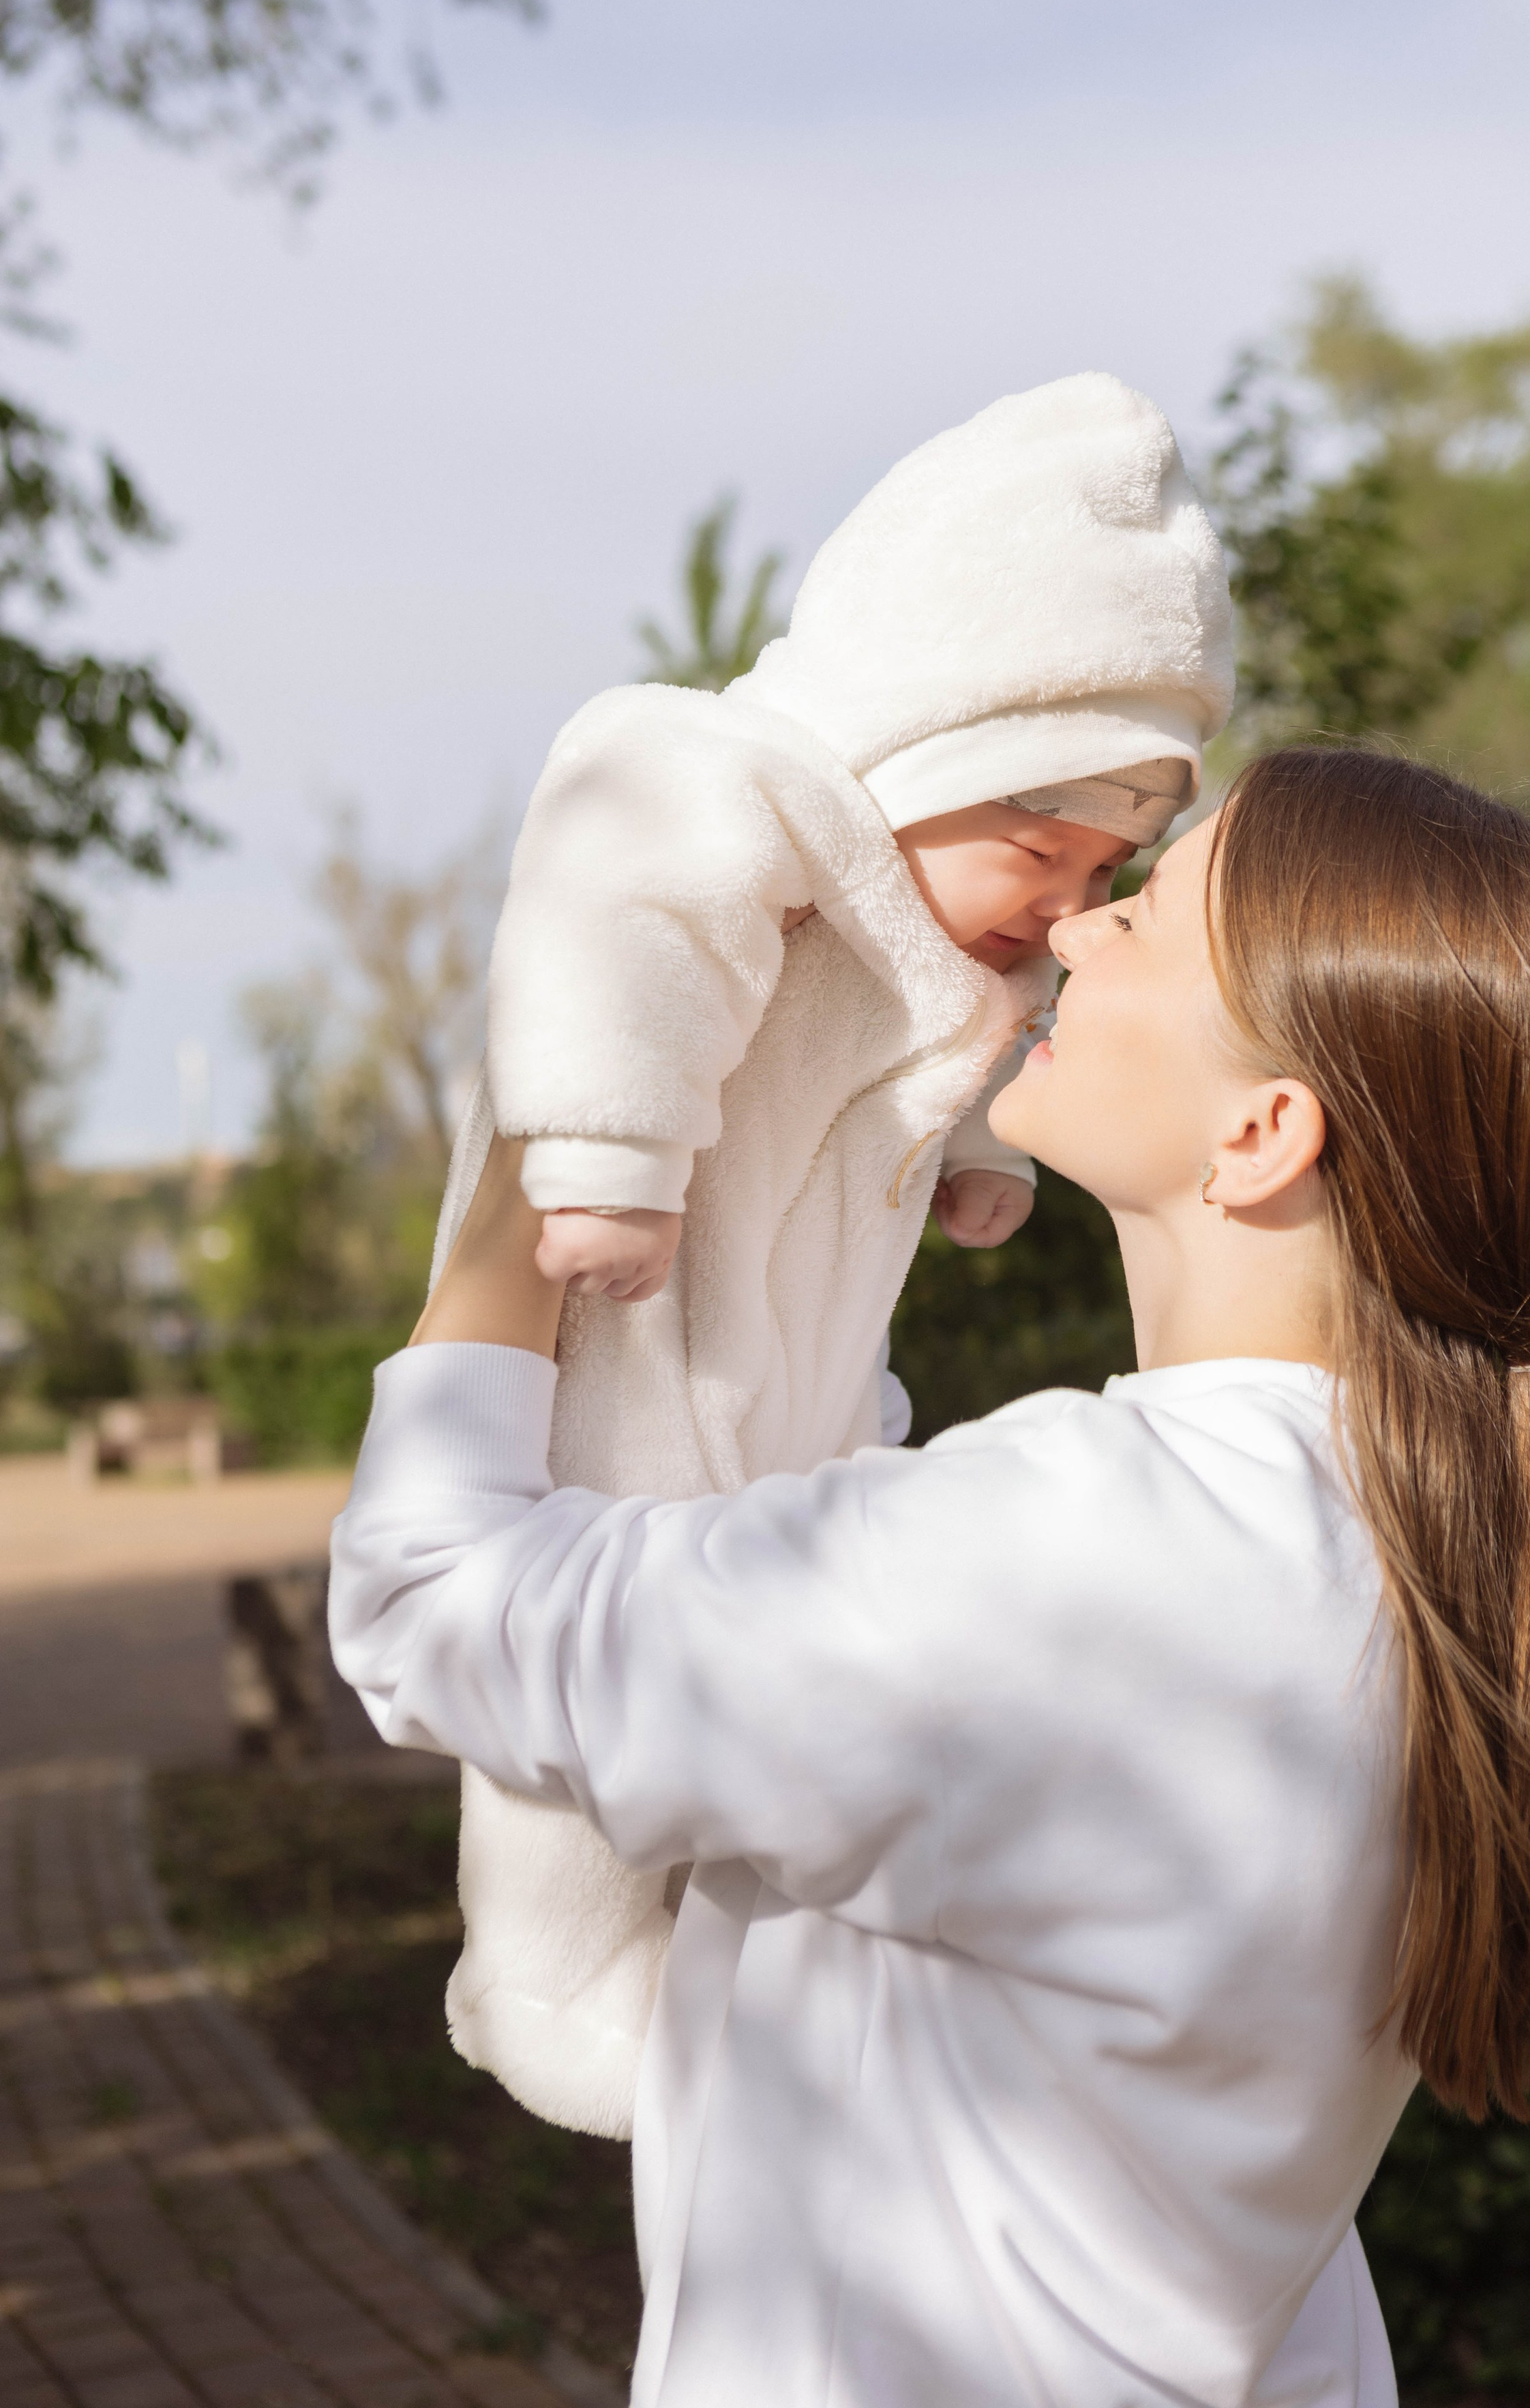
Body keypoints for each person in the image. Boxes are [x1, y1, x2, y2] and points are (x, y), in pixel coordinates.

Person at [331, 747, 1530, 2408]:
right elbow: (842, 1589)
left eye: (1155, 912)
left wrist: (543, 1130)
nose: (1082, 930)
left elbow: (431, 1598)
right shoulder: (1405, 1554)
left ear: (1259, 1132)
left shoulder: (1077, 1564)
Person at [436, 371, 1233, 2132]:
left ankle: (707, 1942)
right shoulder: (717, 781)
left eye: (1118, 858)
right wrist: (609, 1154)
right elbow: (608, 922)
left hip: (796, 1369)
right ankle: (540, 1964)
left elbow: (959, 1029)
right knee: (583, 1635)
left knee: (739, 1632)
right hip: (627, 1322)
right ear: (924, 756)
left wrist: (971, 1155)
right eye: (1046, 841)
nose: (1067, 899)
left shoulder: (959, 921)